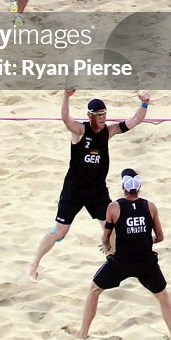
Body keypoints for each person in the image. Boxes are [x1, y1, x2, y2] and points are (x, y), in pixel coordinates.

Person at [27, 89, 151, 281]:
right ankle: (33, 265)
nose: (102, 118)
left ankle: (116, 265)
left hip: (97, 192)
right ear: (90, 116)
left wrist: (144, 103)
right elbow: (66, 119)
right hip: (74, 190)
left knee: (112, 230)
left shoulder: (108, 131)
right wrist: (66, 97)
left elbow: (135, 121)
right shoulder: (80, 131)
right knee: (59, 232)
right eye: (98, 115)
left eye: (104, 114)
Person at [77, 168, 171, 340]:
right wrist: (145, 241)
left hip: (121, 262)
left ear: (123, 187)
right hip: (146, 262)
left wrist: (107, 246)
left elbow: (106, 236)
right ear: (139, 187)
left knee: (94, 290)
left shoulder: (114, 207)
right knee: (163, 296)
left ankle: (83, 333)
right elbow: (160, 237)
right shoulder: (150, 206)